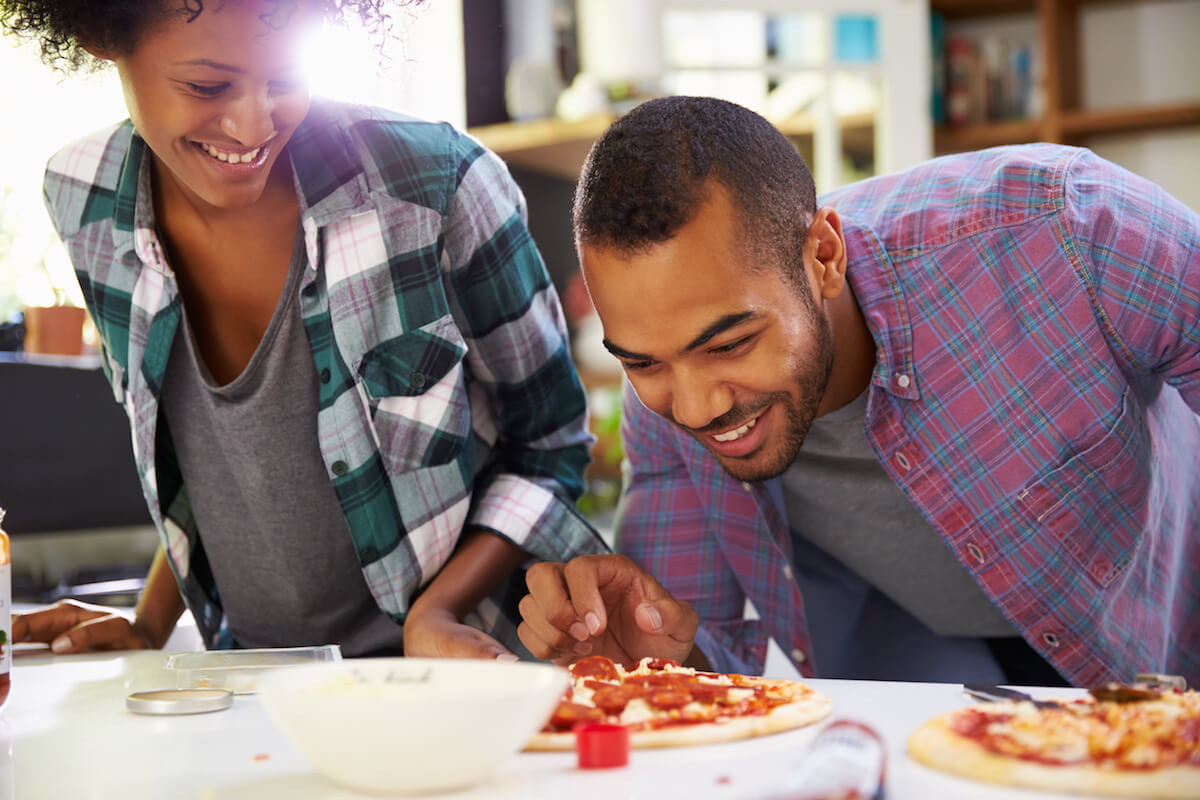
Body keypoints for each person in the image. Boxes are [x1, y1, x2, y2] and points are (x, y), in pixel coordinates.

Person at [518, 95, 1200, 687]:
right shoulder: (661, 411)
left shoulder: (1070, 227)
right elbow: (691, 661)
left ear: (823, 257)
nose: (695, 407)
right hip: (937, 692)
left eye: (729, 345)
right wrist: (647, 658)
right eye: (643, 363)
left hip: (1169, 643)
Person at [3, 0, 606, 659]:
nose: (255, 122)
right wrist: (149, 624)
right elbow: (203, 459)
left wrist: (435, 612)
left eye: (287, 77)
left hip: (460, 678)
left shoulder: (436, 184)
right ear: (99, 32)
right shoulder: (82, 198)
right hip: (253, 684)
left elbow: (550, 443)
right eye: (207, 86)